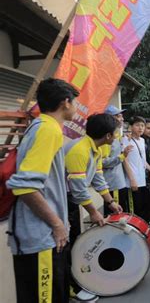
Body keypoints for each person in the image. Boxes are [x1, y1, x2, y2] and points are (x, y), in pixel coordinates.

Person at [6, 78, 77, 303]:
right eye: (74, 102)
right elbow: (25, 186)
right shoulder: (48, 130)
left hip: (39, 238)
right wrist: (57, 224)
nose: (75, 107)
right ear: (66, 103)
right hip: (41, 240)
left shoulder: (39, 126)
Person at [64, 113, 123, 301]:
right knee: (65, 246)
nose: (116, 136)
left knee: (73, 242)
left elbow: (98, 178)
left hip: (71, 200)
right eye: (115, 133)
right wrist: (94, 212)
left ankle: (77, 281)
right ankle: (70, 288)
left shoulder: (96, 149)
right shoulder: (79, 150)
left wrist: (110, 202)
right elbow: (78, 189)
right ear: (107, 136)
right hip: (61, 200)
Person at [122, 116, 150, 224]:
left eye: (142, 125)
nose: (140, 128)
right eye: (137, 125)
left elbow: (142, 160)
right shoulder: (126, 140)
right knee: (134, 209)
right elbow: (124, 160)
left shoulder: (142, 140)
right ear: (131, 127)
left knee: (144, 206)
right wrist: (132, 179)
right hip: (133, 181)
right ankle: (136, 230)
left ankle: (144, 228)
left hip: (142, 180)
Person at [101, 105, 133, 215]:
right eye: (119, 116)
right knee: (115, 216)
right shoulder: (107, 137)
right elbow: (101, 162)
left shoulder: (117, 134)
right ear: (110, 118)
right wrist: (122, 156)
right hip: (113, 183)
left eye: (122, 116)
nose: (122, 119)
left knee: (121, 214)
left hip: (120, 182)